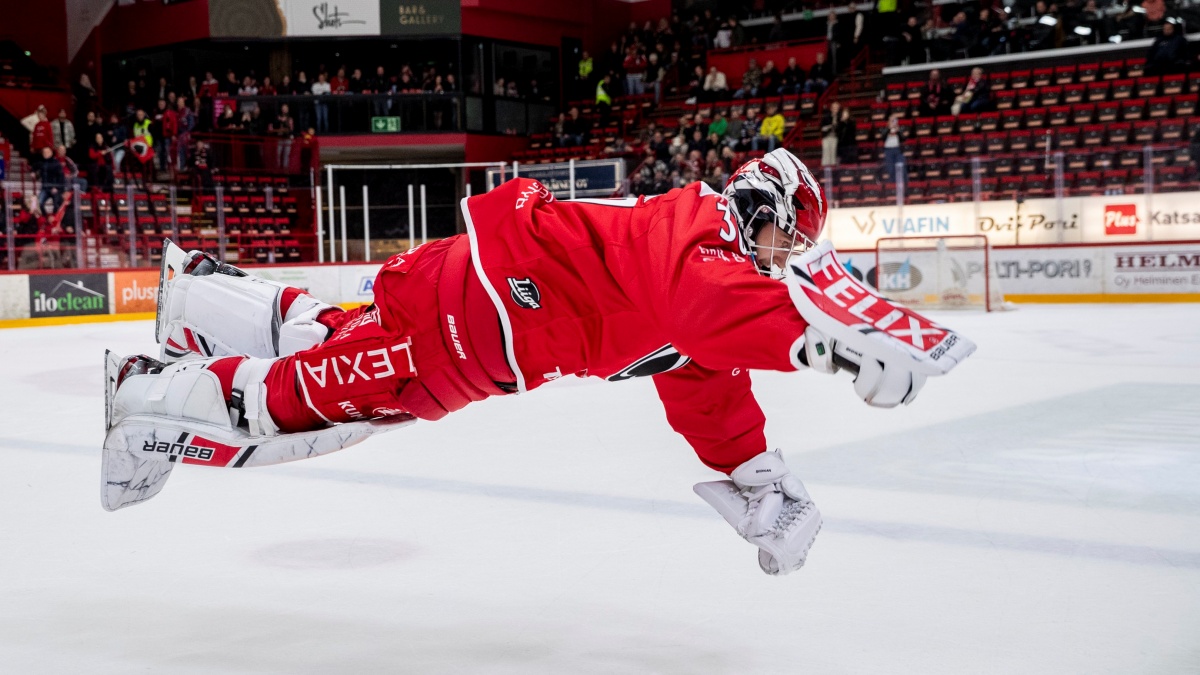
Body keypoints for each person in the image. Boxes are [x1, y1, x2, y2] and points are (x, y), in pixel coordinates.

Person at [104, 148, 968, 577]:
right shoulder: (699, 238)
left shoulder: (696, 260)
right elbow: (712, 310)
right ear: (759, 205)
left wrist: (758, 471)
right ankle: (143, 402)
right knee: (306, 409)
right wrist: (814, 340)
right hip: (465, 329)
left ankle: (196, 301)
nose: (785, 259)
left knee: (334, 344)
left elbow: (703, 368)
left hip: (464, 305)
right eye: (786, 237)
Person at [36, 147, 65, 214]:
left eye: (47, 152)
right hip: (45, 188)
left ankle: (55, 219)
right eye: (44, 153)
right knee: (40, 203)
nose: (45, 154)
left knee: (56, 204)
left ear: (51, 153)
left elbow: (61, 177)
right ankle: (45, 218)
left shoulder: (56, 163)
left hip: (54, 188)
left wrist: (57, 187)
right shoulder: (41, 163)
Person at [882, 114, 904, 181]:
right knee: (890, 168)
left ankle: (899, 181)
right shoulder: (885, 129)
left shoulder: (899, 129)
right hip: (888, 150)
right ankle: (892, 183)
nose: (893, 122)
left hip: (897, 149)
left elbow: (903, 139)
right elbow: (883, 138)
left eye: (895, 120)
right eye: (892, 120)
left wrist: (898, 131)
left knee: (899, 168)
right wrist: (889, 128)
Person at [821, 101, 841, 166]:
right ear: (831, 108)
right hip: (827, 137)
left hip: (836, 138)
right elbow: (822, 128)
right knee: (826, 156)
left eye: (837, 108)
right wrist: (831, 126)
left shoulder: (840, 117)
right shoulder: (826, 117)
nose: (835, 109)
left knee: (834, 156)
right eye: (834, 108)